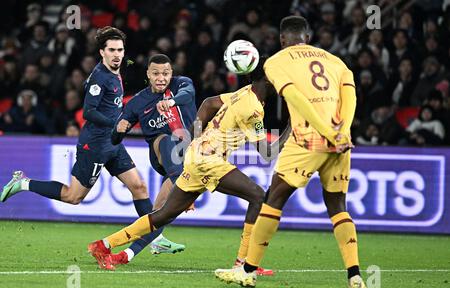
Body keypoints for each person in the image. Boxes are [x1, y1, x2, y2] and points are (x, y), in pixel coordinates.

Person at [87, 58, 292, 272]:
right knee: (259, 196)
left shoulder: (243, 92)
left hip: (196, 156)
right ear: (268, 80)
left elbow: (208, 103)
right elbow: (267, 154)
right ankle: (243, 264)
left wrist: (195, 138)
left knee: (164, 215)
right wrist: (291, 127)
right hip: (209, 161)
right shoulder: (252, 109)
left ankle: (103, 245)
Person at [215, 15, 366, 288]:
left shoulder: (275, 62)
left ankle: (247, 271)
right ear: (307, 37)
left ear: (282, 40)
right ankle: (354, 275)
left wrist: (325, 131)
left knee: (274, 199)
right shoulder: (336, 61)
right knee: (338, 206)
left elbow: (296, 96)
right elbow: (351, 97)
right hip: (341, 141)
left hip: (308, 140)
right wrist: (341, 132)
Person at [0, 26, 181, 256]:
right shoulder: (100, 77)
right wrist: (115, 124)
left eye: (120, 50)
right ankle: (23, 183)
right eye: (112, 50)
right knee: (73, 197)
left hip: (113, 144)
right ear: (102, 53)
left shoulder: (117, 70)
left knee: (139, 187)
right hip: (94, 145)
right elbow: (88, 111)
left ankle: (156, 239)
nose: (117, 54)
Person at [107, 53, 197, 266]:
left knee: (159, 215)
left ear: (171, 73)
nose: (161, 78)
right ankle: (182, 182)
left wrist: (171, 101)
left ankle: (127, 255)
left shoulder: (182, 84)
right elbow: (114, 137)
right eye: (156, 73)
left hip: (189, 158)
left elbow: (188, 93)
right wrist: (119, 131)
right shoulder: (138, 102)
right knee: (165, 139)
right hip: (162, 155)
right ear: (148, 74)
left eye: (165, 73)